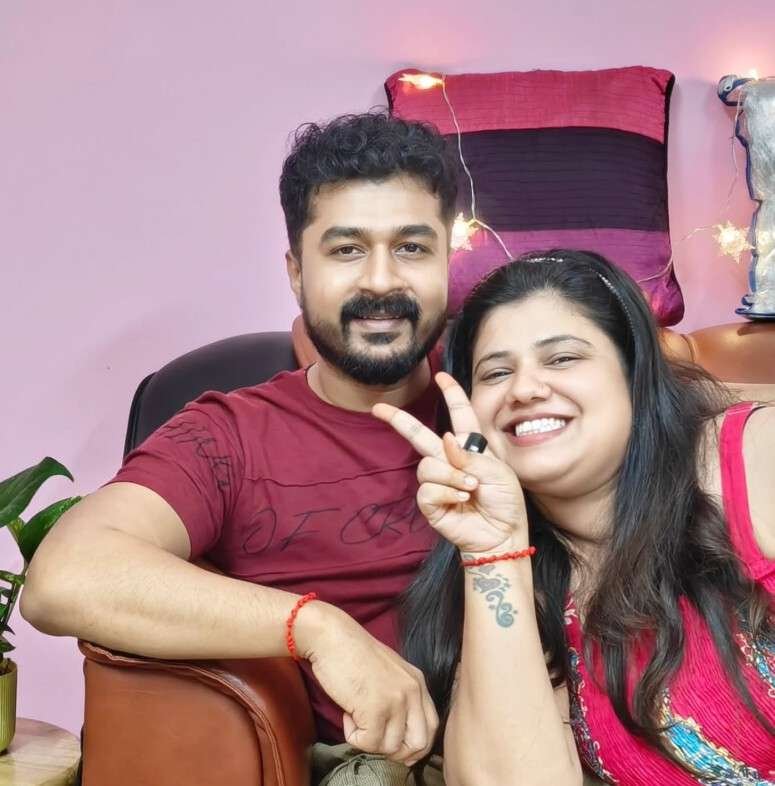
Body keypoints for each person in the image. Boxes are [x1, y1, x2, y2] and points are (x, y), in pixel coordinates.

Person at [21, 112, 458, 777]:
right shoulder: (229, 435)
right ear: (295, 272)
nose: (379, 280)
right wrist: (316, 628)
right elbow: (61, 580)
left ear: (447, 261)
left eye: (412, 247)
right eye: (345, 249)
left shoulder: (506, 402)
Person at [375, 250, 775, 786]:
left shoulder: (749, 456)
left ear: (633, 372)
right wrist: (494, 550)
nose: (524, 389)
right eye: (497, 372)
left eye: (562, 358)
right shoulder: (525, 589)